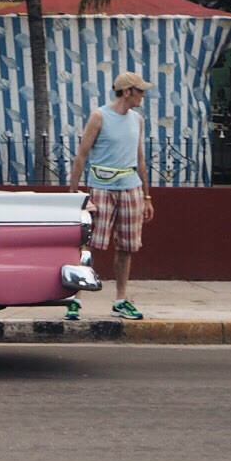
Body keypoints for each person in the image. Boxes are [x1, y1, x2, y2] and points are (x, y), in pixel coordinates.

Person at [64, 71, 155, 320]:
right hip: (102, 188)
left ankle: (121, 300)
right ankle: (76, 299)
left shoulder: (137, 120)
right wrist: (75, 194)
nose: (143, 95)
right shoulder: (99, 116)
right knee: (90, 245)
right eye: (140, 91)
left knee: (126, 246)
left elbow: (140, 158)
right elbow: (82, 155)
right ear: (127, 92)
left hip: (131, 188)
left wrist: (147, 197)